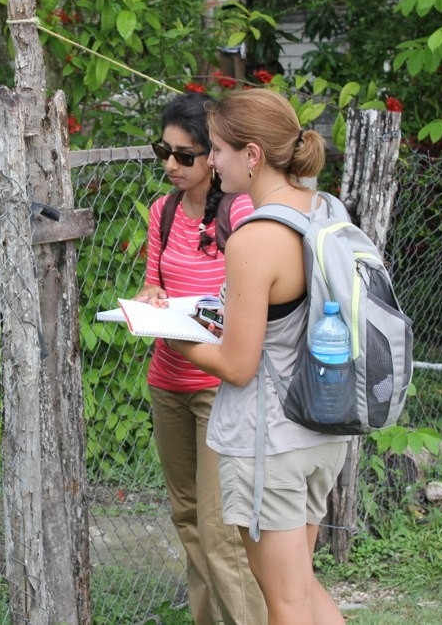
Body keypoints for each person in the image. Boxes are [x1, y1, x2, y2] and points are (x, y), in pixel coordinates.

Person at [167, 88, 351, 625]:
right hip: (323, 426)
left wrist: (177, 337)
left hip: (270, 441)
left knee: (285, 603)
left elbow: (238, 365)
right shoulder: (325, 209)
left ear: (252, 155)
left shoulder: (254, 238)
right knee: (301, 588)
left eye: (219, 149)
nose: (212, 160)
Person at [134, 92, 266, 625]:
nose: (170, 165)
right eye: (164, 151)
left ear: (214, 155)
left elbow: (256, 304)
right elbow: (152, 286)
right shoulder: (162, 213)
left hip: (221, 388)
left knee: (220, 533)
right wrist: (148, 302)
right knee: (187, 519)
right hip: (168, 381)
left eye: (183, 155)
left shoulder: (242, 214)